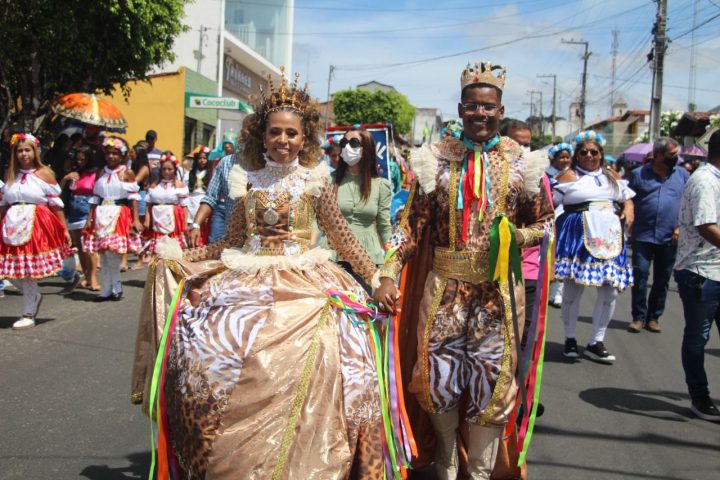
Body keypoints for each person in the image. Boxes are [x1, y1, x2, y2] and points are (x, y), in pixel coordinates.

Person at [132, 69, 391, 478]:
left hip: (307, 281)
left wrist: (376, 278)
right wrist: (180, 256)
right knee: (210, 354)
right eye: (275, 132)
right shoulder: (245, 180)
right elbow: (230, 242)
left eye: (291, 133)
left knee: (333, 361)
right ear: (262, 135)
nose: (283, 140)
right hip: (246, 278)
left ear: (305, 139)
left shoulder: (316, 181)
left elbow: (342, 239)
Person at [374, 61, 553, 479]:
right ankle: (447, 461)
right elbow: (410, 226)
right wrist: (387, 272)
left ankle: (480, 473)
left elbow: (545, 224)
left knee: (491, 383)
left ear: (500, 110)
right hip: (444, 291)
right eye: (473, 106)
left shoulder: (522, 162)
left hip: (498, 294)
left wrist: (517, 237)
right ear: (460, 109)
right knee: (438, 380)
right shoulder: (435, 160)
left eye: (488, 107)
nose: (480, 113)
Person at [553, 131, 635, 364]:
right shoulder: (568, 176)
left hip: (609, 237)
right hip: (578, 236)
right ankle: (570, 338)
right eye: (584, 152)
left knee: (610, 291)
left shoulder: (612, 175)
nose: (589, 156)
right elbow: (550, 203)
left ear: (601, 154)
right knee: (572, 289)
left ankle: (596, 341)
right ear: (577, 155)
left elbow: (626, 197)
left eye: (594, 152)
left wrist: (629, 208)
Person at [0, 133, 73, 329]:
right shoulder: (10, 174)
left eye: (27, 150)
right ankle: (33, 297)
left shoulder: (44, 173)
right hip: (11, 225)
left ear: (35, 152)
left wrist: (64, 229)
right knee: (8, 269)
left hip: (35, 223)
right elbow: (4, 202)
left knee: (28, 270)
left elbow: (56, 204)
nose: (24, 154)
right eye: (20, 151)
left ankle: (28, 313)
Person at [673, 129, 720, 422]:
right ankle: (699, 396)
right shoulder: (705, 181)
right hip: (701, 272)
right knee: (697, 337)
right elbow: (706, 226)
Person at [627, 137, 688, 333]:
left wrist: (680, 227)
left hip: (669, 236)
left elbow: (688, 203)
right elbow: (627, 198)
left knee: (662, 279)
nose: (676, 157)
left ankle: (653, 317)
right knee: (640, 275)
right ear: (658, 155)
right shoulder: (638, 174)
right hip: (642, 234)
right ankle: (638, 317)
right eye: (672, 154)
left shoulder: (683, 175)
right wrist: (629, 211)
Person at [320, 128, 392, 292]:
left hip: (368, 259)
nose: (347, 147)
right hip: (333, 256)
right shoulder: (328, 181)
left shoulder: (381, 185)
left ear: (367, 148)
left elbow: (384, 227)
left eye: (353, 143)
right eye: (344, 143)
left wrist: (391, 266)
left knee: (365, 306)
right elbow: (316, 222)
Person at [81, 136, 142, 301]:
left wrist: (136, 219)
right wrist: (89, 219)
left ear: (121, 155)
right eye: (108, 153)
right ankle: (107, 288)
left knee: (113, 253)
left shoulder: (126, 173)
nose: (111, 156)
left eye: (115, 153)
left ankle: (116, 286)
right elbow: (95, 198)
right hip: (101, 214)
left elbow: (133, 197)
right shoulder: (101, 172)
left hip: (118, 214)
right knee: (103, 254)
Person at [59, 145, 100, 291]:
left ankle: (93, 278)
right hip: (73, 210)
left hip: (87, 209)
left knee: (89, 248)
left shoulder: (95, 174)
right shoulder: (74, 173)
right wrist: (65, 178)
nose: (80, 162)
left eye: (83, 159)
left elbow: (97, 196)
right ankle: (87, 277)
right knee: (80, 248)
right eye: (78, 159)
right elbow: (58, 192)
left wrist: (90, 218)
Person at [546, 143, 574, 308]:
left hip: (566, 219)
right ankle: (546, 290)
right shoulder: (545, 173)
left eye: (567, 157)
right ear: (553, 159)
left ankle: (558, 293)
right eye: (561, 157)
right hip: (549, 217)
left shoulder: (573, 174)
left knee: (564, 254)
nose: (564, 160)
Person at [143, 157, 189, 254]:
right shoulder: (154, 185)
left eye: (169, 169)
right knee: (158, 247)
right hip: (157, 218)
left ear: (175, 170)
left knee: (172, 247)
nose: (166, 172)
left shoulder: (179, 185)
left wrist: (185, 224)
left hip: (173, 218)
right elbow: (148, 203)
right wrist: (147, 220)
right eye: (164, 169)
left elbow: (184, 206)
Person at [186, 145, 211, 246]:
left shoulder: (210, 173)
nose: (202, 160)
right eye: (200, 158)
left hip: (203, 199)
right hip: (191, 201)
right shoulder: (190, 173)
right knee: (190, 223)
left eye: (204, 158)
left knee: (201, 224)